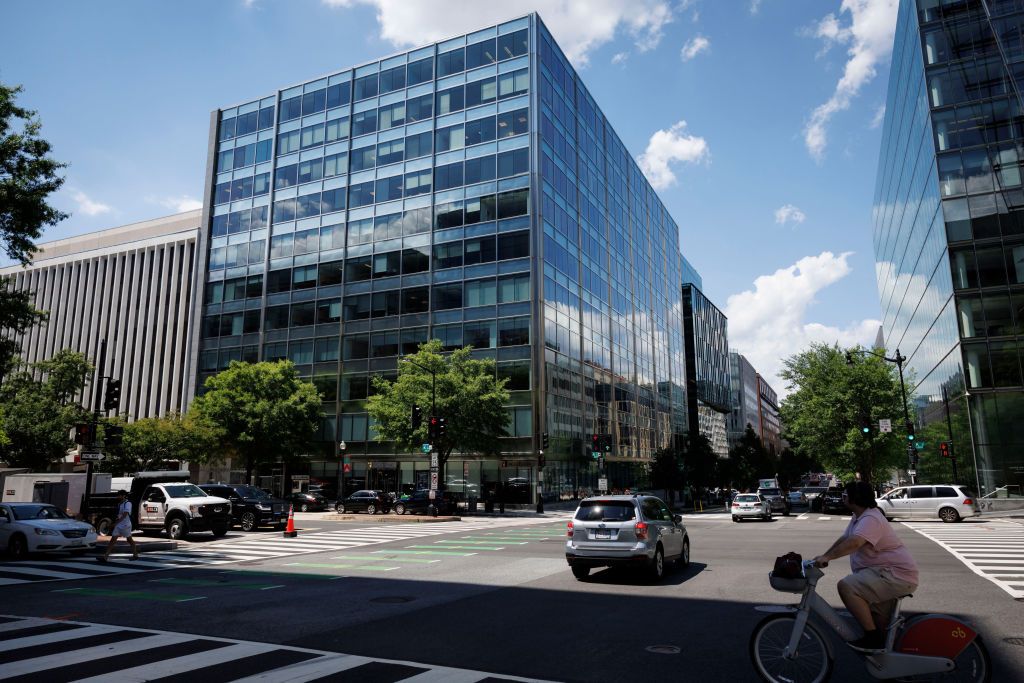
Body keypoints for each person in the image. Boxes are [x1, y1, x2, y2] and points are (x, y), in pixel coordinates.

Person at [812, 480, 918, 653]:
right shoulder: (860, 516)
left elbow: (855, 542)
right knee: (880, 623)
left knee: (847, 587)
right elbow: (846, 538)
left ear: (855, 498)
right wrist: (825, 556)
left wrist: (828, 557)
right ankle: (891, 661)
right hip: (885, 574)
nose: (842, 498)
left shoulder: (871, 518)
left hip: (895, 575)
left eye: (845, 495)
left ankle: (872, 638)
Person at [98, 490, 139, 562]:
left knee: (129, 540)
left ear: (123, 496)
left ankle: (135, 554)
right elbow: (119, 515)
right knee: (113, 539)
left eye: (119, 495)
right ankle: (105, 556)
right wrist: (115, 522)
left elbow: (125, 514)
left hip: (126, 525)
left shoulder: (128, 503)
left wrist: (115, 523)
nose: (118, 497)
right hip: (119, 524)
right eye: (118, 495)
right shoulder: (120, 504)